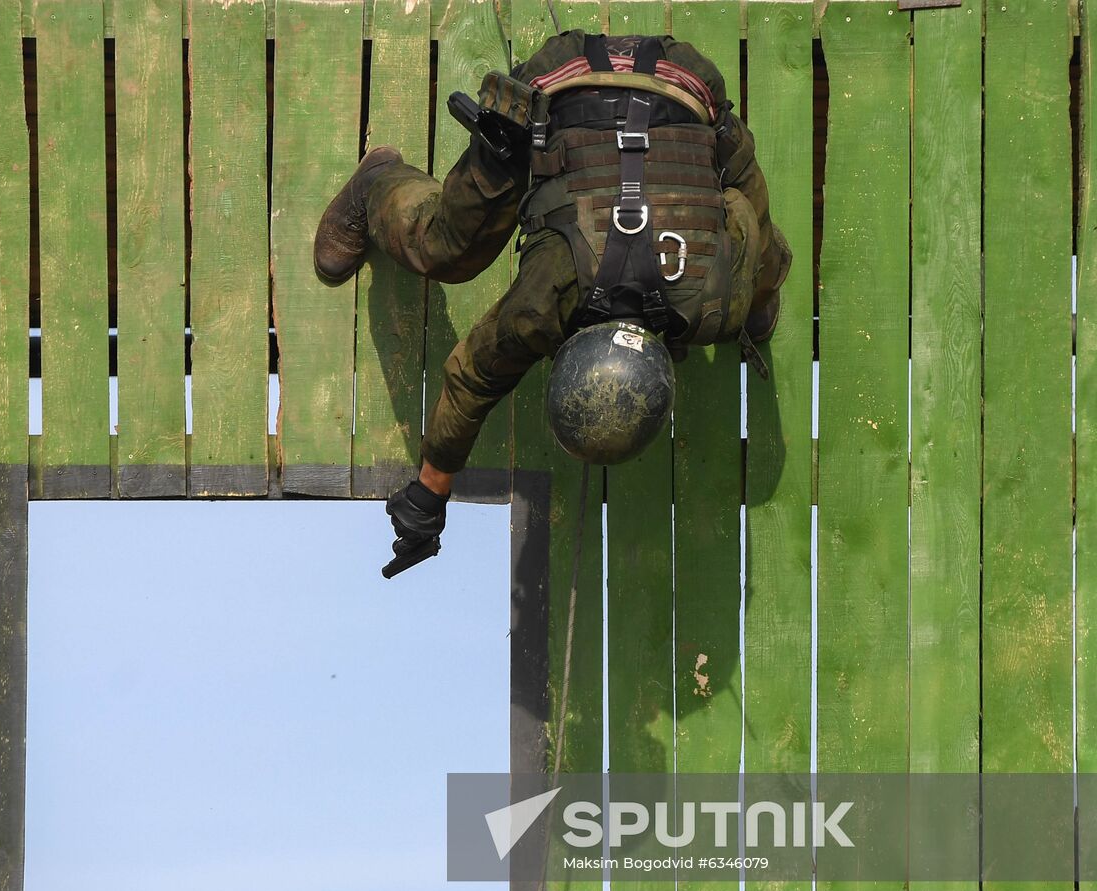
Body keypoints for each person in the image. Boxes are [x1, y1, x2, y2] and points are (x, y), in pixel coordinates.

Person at [312, 32, 792, 574]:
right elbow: (473, 378)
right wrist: (428, 493)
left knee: (757, 251)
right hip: (561, 89)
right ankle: (376, 182)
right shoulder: (540, 308)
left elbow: (757, 239)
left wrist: (754, 300)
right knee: (442, 248)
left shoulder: (713, 302)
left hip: (689, 77)